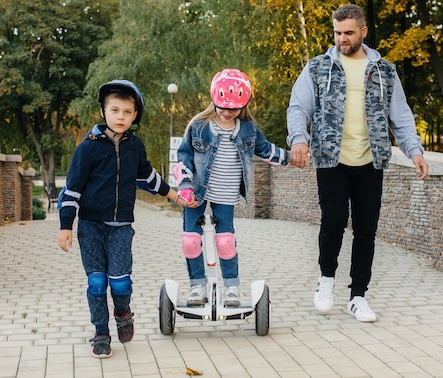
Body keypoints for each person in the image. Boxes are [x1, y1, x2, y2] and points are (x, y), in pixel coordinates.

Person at [286, 4, 429, 322]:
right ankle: (326, 281)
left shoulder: (384, 71)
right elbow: (299, 107)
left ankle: (358, 296)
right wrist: (298, 139)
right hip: (330, 159)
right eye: (337, 33)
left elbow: (401, 116)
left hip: (371, 160)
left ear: (363, 31)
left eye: (348, 33)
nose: (342, 39)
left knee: (366, 230)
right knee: (333, 222)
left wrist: (414, 151)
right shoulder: (318, 67)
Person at [57, 80, 194, 358]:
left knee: (119, 282)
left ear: (135, 116)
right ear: (104, 111)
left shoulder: (135, 146)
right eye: (115, 110)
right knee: (97, 283)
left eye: (127, 112)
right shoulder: (88, 148)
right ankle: (101, 334)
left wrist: (176, 196)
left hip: (121, 228)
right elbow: (72, 189)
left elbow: (148, 178)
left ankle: (123, 312)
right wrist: (65, 226)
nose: (121, 117)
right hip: (90, 227)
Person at [174, 68, 290, 307]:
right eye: (223, 107)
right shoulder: (198, 126)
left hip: (225, 195)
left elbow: (267, 151)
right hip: (196, 192)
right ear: (214, 101)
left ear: (243, 105)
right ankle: (197, 286)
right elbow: (183, 157)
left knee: (225, 242)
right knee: (190, 241)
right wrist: (184, 186)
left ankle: (232, 287)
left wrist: (293, 157)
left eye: (234, 108)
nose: (228, 113)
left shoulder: (247, 129)